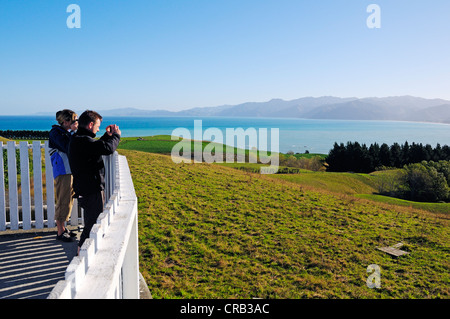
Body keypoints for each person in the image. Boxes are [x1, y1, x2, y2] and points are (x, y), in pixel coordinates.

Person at [68, 110, 121, 255]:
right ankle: (81, 254)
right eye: (97, 126)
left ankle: (83, 252)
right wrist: (116, 136)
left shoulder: (78, 138)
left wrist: (106, 136)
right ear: (91, 124)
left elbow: (95, 146)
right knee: (92, 224)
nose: (98, 129)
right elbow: (106, 148)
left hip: (85, 188)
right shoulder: (82, 141)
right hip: (90, 190)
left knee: (91, 221)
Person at [49, 109, 79, 242]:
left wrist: (72, 132)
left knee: (68, 200)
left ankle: (63, 228)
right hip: (62, 171)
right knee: (62, 200)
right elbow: (68, 147)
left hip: (68, 170)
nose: (76, 123)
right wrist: (73, 132)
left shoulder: (64, 132)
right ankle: (60, 231)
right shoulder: (56, 133)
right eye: (74, 120)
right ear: (66, 122)